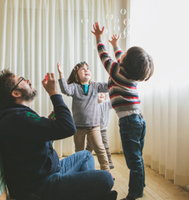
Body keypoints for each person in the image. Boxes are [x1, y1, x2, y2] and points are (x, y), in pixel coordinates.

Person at [0, 69, 118, 200]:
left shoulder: (15, 116)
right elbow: (69, 128)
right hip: (41, 187)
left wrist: (49, 124)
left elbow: (34, 141)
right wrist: (54, 93)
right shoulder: (18, 117)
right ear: (15, 93)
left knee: (85, 155)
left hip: (51, 172)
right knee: (106, 179)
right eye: (22, 80)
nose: (28, 81)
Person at [91, 22, 154, 200]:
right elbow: (120, 57)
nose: (121, 55)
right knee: (137, 158)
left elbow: (104, 57)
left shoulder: (117, 72)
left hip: (129, 122)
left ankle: (134, 193)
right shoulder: (128, 73)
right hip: (138, 120)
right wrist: (116, 45)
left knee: (133, 161)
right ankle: (139, 183)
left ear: (125, 63)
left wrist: (99, 39)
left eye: (124, 55)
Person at [57, 61, 112, 175]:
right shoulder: (74, 87)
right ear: (76, 75)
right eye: (83, 69)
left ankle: (106, 170)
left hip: (94, 125)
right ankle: (81, 172)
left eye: (88, 68)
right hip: (78, 126)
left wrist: (112, 75)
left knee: (100, 148)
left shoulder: (95, 86)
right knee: (79, 151)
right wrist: (61, 74)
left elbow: (108, 87)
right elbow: (65, 90)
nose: (86, 70)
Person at [86, 93, 114, 169]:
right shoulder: (90, 104)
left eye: (103, 93)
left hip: (103, 129)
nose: (102, 94)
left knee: (105, 145)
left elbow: (114, 100)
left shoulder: (107, 103)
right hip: (92, 129)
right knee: (89, 146)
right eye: (99, 92)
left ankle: (109, 161)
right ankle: (84, 161)